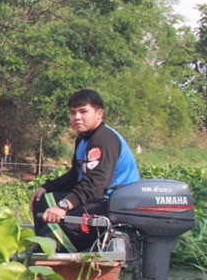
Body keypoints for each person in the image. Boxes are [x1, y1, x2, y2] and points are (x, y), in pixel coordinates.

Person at [29, 89, 140, 251]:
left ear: (99, 114)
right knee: (42, 201)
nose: (77, 117)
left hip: (110, 206)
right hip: (95, 200)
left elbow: (96, 184)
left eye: (83, 111)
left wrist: (64, 206)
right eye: (73, 113)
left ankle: (56, 254)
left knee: (48, 239)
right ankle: (59, 251)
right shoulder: (83, 139)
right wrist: (47, 186)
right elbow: (76, 175)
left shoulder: (103, 139)